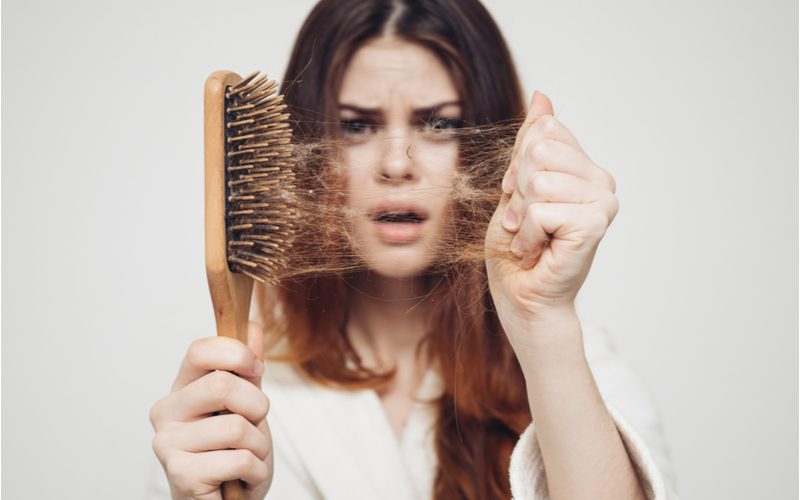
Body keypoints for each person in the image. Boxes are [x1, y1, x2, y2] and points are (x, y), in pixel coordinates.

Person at [148, 0, 679, 498]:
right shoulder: (239, 400)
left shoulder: (570, 362)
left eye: (439, 124)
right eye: (356, 125)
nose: (397, 164)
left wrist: (541, 325)